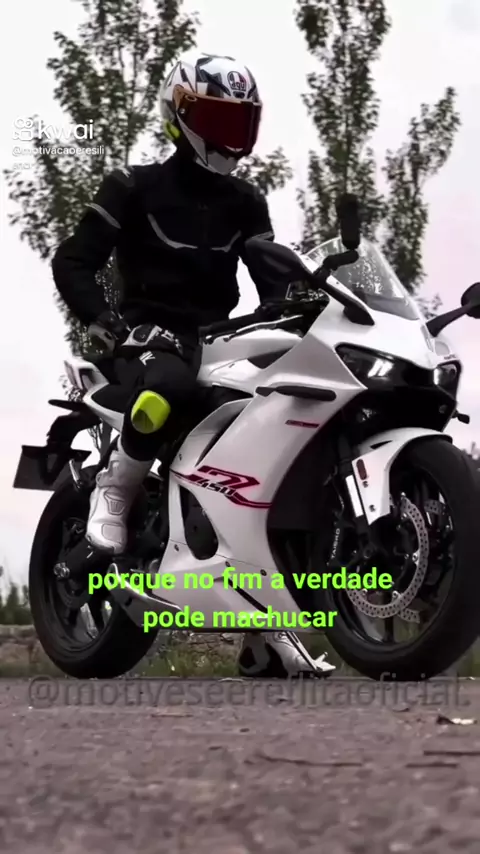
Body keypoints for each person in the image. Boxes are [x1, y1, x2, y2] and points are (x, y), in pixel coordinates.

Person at [51, 51, 335, 679]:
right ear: (180, 117)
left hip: (218, 339)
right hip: (144, 338)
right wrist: (104, 321)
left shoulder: (247, 201)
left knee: (279, 428)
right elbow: (72, 261)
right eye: (217, 119)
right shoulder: (133, 186)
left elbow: (271, 281)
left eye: (241, 122)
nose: (232, 136)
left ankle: (265, 629)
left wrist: (306, 303)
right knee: (168, 385)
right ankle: (116, 490)